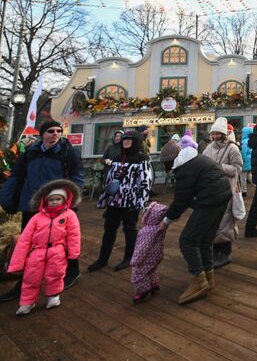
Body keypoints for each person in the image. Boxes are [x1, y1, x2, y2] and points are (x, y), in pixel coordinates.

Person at [0, 120, 84, 303]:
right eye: (50, 131)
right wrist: (8, 198)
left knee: (62, 241)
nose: (55, 134)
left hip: (57, 206)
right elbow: (17, 175)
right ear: (42, 134)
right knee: (29, 243)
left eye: (58, 131)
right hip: (31, 204)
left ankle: (72, 271)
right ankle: (24, 282)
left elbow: (77, 176)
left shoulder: (68, 152)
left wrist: (73, 201)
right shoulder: (30, 153)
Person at [161, 132, 231, 305]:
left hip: (210, 198)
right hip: (221, 195)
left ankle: (198, 281)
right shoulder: (194, 159)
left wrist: (166, 221)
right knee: (205, 239)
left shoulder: (184, 168)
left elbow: (181, 200)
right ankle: (208, 276)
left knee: (188, 240)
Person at [7, 179, 81, 315]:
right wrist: (18, 260)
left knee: (55, 274)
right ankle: (27, 302)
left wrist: (73, 252)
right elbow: (25, 239)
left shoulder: (69, 215)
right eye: (51, 199)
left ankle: (53, 296)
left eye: (58, 199)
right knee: (31, 277)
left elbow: (74, 234)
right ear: (45, 201)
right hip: (37, 251)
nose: (54, 202)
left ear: (64, 199)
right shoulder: (37, 217)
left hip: (57, 251)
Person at [88, 130, 153, 272]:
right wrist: (106, 198)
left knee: (129, 229)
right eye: (124, 140)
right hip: (114, 200)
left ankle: (129, 257)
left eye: (129, 140)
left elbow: (145, 181)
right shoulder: (117, 157)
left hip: (131, 200)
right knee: (109, 229)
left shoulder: (142, 159)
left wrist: (140, 202)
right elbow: (110, 179)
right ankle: (102, 259)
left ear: (136, 142)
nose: (126, 142)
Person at [203, 118, 245, 268]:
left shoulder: (232, 148)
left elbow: (238, 168)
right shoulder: (209, 148)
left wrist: (219, 167)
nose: (214, 136)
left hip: (227, 189)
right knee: (213, 222)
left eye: (216, 133)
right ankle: (215, 252)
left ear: (222, 133)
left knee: (226, 221)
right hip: (211, 190)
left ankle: (225, 253)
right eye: (212, 133)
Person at [130, 201, 167, 304]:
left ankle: (143, 291)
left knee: (139, 273)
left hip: (147, 256)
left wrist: (135, 260)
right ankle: (154, 284)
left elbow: (143, 247)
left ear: (150, 216)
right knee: (151, 270)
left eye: (146, 211)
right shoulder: (159, 227)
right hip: (156, 255)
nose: (144, 212)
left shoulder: (147, 231)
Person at [239, 126, 253, 199]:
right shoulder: (251, 140)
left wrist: (241, 161)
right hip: (251, 161)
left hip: (245, 162)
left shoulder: (244, 142)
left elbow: (243, 153)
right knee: (250, 176)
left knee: (243, 178)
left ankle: (243, 191)